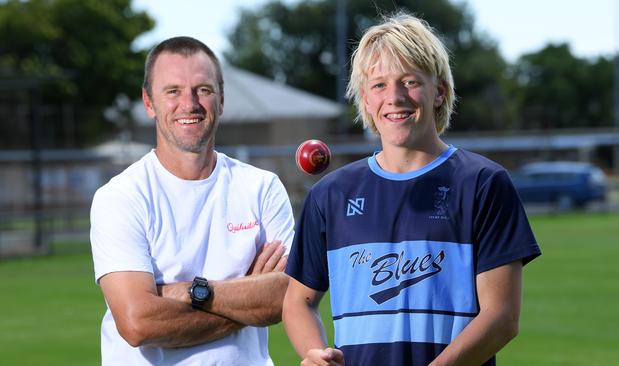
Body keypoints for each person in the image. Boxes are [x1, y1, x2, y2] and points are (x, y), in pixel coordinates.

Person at [283, 13, 541, 366]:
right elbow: (298, 300)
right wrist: (315, 353)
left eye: (410, 81)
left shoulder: (483, 183)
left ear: (439, 92)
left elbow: (502, 318)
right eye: (379, 85)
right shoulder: (331, 194)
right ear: (366, 101)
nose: (395, 97)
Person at [90, 36, 294, 365]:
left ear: (222, 99)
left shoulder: (261, 187)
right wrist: (246, 293)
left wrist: (183, 291)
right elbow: (138, 323)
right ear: (149, 102)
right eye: (173, 91)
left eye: (203, 89)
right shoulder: (121, 196)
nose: (190, 104)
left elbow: (285, 296)